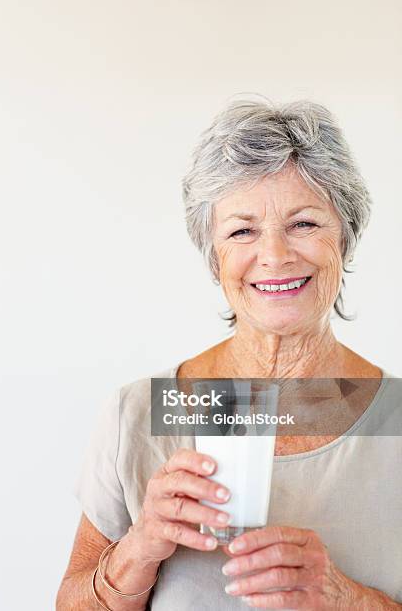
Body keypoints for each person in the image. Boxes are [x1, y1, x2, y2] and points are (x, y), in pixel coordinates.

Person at [56, 99, 402, 610]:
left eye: (304, 224)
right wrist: (141, 547)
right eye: (242, 230)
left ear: (345, 238)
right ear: (215, 258)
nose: (275, 255)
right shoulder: (141, 413)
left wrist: (344, 599)